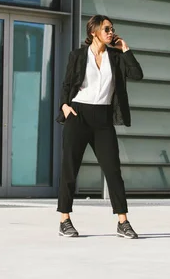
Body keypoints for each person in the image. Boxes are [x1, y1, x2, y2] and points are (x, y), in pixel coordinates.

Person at [55, 15, 143, 239]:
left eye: (112, 29)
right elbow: (67, 83)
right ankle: (64, 219)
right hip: (79, 114)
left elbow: (137, 74)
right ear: (93, 31)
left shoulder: (115, 56)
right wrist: (64, 105)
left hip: (103, 118)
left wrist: (125, 49)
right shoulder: (77, 55)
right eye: (106, 29)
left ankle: (123, 222)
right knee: (70, 169)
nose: (110, 32)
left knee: (113, 171)